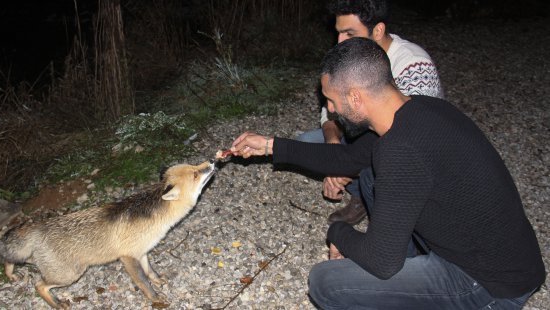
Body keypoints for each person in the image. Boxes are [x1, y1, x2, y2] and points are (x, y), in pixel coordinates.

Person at [229, 37, 545, 309]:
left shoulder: (401, 150)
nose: (332, 110)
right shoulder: (419, 109)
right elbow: (346, 158)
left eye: (332, 100)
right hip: (511, 259)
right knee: (370, 177)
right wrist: (270, 145)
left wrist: (338, 234)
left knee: (327, 282)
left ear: (355, 97)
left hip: (488, 285)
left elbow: (382, 261)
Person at [297, 0, 443, 226]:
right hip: (361, 134)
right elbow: (330, 113)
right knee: (308, 142)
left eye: (349, 33)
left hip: (402, 147)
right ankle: (360, 189)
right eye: (338, 33)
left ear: (378, 30)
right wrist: (333, 145)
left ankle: (369, 199)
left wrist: (344, 166)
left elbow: (412, 137)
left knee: (373, 166)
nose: (340, 42)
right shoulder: (348, 58)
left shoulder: (413, 65)